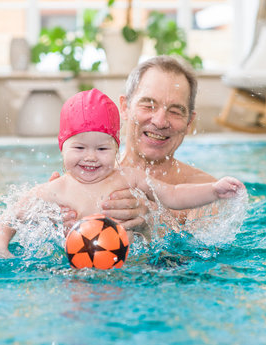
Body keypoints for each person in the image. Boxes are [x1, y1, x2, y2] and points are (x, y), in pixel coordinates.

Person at [0, 88, 244, 258]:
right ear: (62, 148)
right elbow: (12, 215)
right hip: (71, 273)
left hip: (129, 269)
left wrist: (213, 190)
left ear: (115, 148)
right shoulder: (55, 190)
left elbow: (173, 194)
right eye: (79, 147)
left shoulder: (128, 177)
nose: (90, 156)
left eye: (101, 148)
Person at [57, 55, 219, 233]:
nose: (160, 121)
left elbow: (206, 255)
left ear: (189, 123)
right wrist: (54, 226)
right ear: (125, 108)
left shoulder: (206, 193)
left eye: (174, 111)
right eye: (149, 106)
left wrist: (154, 221)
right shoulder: (82, 177)